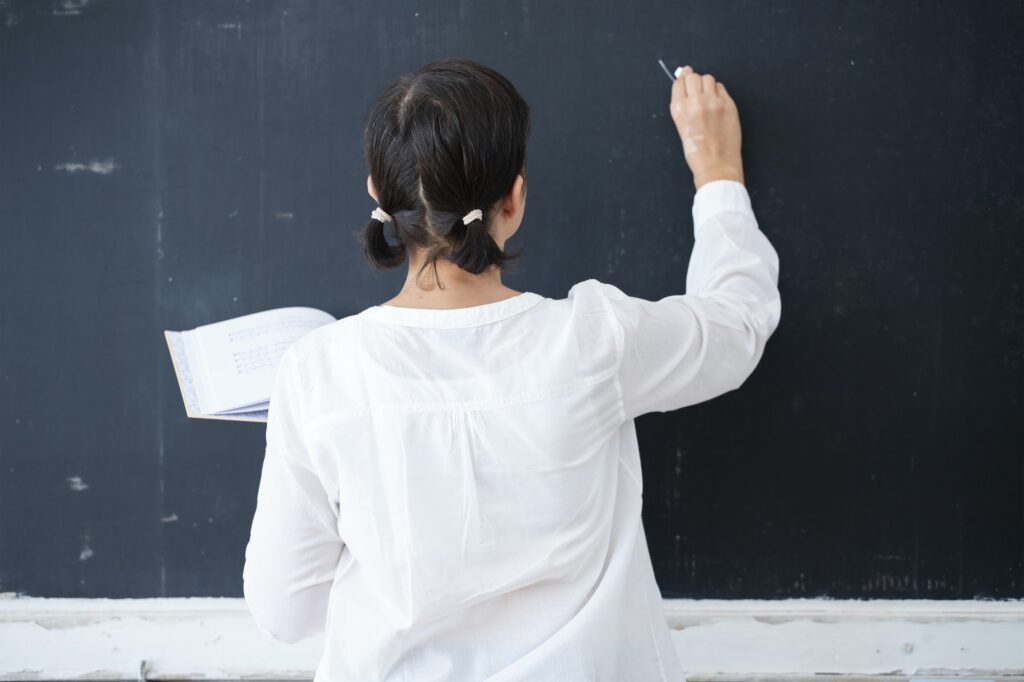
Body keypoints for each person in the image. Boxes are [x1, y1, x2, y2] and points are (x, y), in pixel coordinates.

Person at [243, 57, 781, 681]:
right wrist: (717, 174)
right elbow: (737, 325)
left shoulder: (316, 373)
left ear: (377, 194)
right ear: (515, 197)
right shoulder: (591, 340)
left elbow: (286, 612)